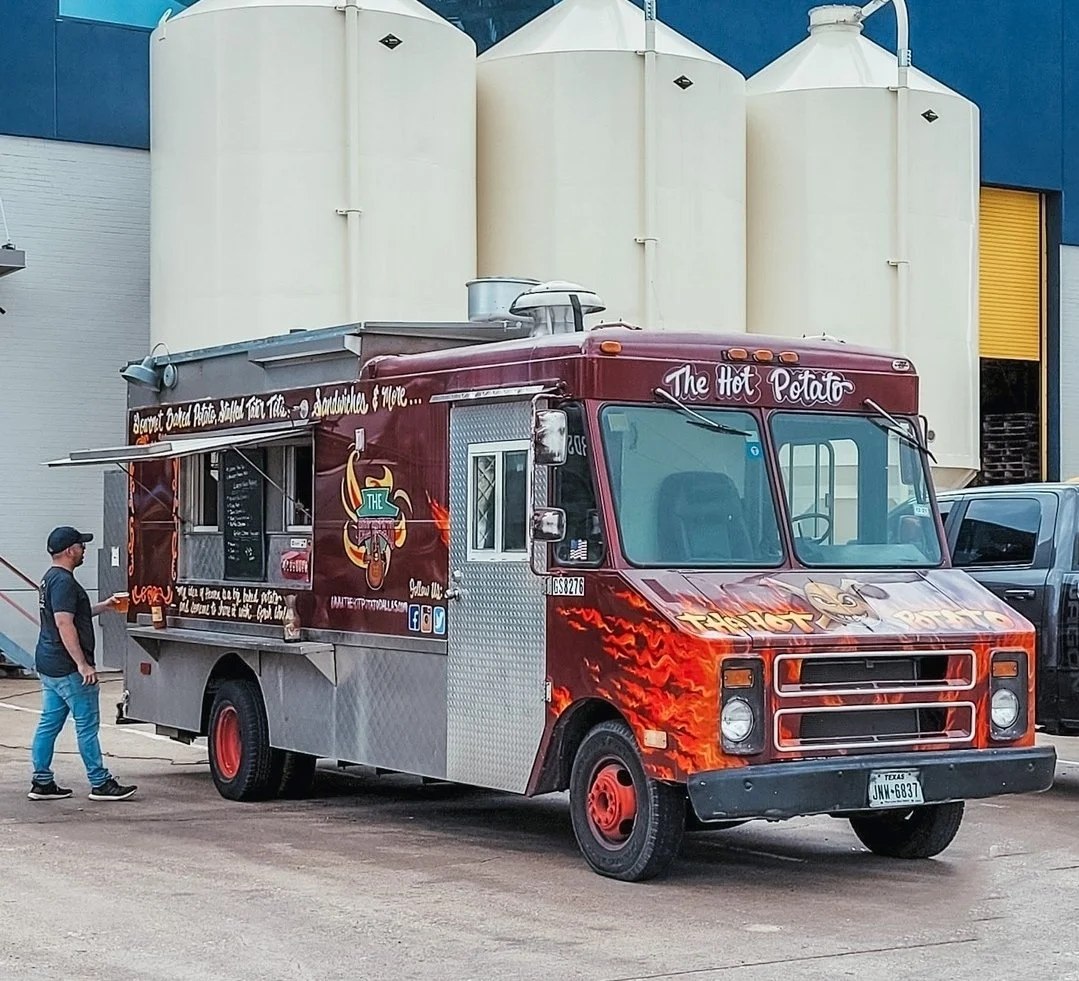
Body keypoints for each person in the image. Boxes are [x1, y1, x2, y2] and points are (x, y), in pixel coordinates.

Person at [27, 526, 137, 802]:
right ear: (69, 551)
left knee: (49, 723)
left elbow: (72, 614)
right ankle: (100, 783)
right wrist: (83, 664)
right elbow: (64, 623)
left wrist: (106, 605)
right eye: (81, 545)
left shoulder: (50, 578)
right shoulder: (64, 582)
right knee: (86, 726)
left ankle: (42, 782)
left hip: (49, 664)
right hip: (68, 668)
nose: (84, 549)